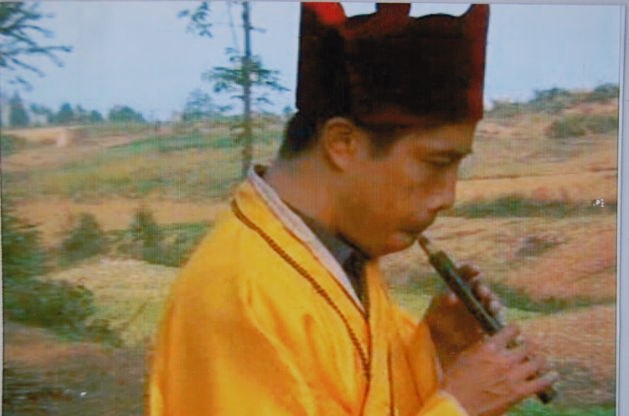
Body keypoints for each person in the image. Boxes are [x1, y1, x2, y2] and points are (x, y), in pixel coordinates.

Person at [148, 3, 559, 416]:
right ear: (342, 143)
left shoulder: (343, 251)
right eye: (436, 163)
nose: (447, 196)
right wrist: (459, 409)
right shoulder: (241, 298)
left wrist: (440, 351)